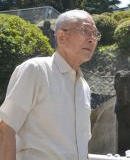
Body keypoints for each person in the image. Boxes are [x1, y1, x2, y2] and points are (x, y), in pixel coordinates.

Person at [0, 9, 100, 160]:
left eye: (95, 34)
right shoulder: (36, 70)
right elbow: (5, 128)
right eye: (85, 30)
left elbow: (81, 145)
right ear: (61, 37)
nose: (92, 39)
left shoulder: (84, 87)